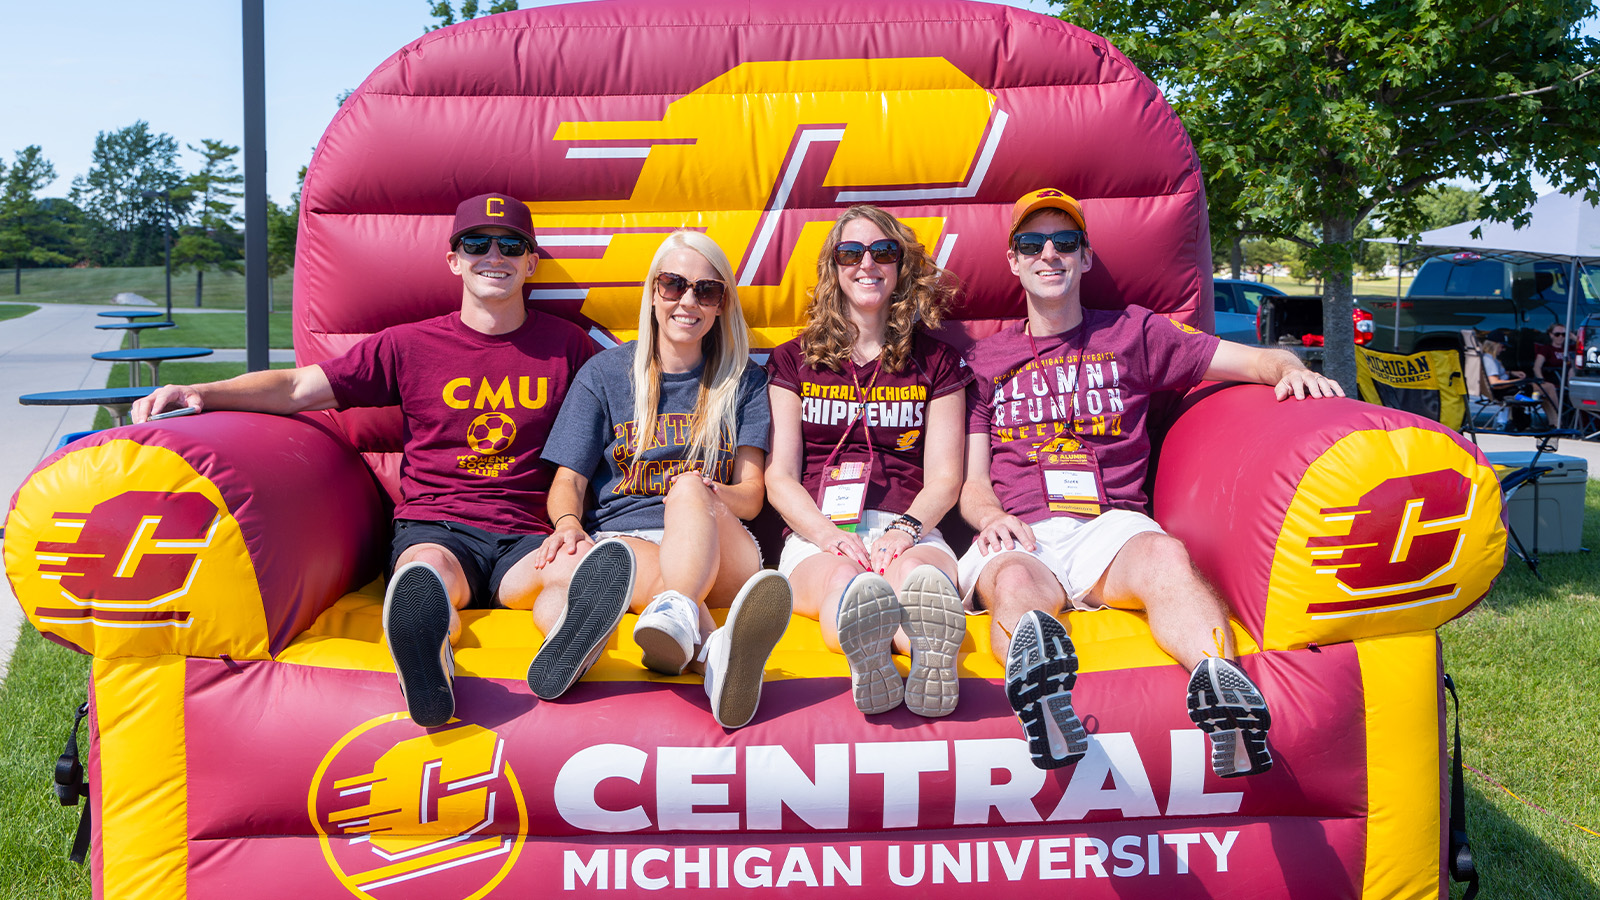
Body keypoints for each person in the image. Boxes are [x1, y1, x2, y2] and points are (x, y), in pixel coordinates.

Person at [131, 192, 637, 729]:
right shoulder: (408, 345)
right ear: (454, 260)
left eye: (511, 245)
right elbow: (300, 387)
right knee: (428, 574)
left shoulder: (569, 347)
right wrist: (202, 391)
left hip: (531, 532)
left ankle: (568, 649)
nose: (495, 255)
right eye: (476, 244)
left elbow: (628, 416)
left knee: (571, 575)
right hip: (441, 525)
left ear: (531, 262)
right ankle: (426, 655)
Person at [959, 188, 1345, 776]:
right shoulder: (985, 362)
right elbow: (972, 484)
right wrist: (991, 519)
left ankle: (1223, 691)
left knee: (1164, 554)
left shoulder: (1134, 333)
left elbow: (1252, 360)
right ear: (1012, 261)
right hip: (1022, 528)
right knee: (1013, 578)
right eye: (1031, 244)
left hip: (1109, 527)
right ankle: (1042, 701)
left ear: (1086, 258)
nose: (1049, 255)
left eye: (1066, 242)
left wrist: (1292, 371)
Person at [535, 230, 789, 729]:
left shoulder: (745, 381)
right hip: (624, 543)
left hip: (718, 545)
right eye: (673, 285)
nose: (688, 301)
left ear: (720, 306)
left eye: (706, 290)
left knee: (688, 488)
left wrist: (704, 492)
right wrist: (567, 523)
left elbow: (752, 496)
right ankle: (709, 652)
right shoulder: (604, 374)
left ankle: (677, 608)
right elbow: (569, 482)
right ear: (652, 292)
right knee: (555, 582)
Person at [765, 205, 969, 718]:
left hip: (912, 524)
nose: (867, 264)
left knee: (918, 576)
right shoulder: (794, 359)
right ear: (833, 268)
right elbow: (779, 477)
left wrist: (905, 531)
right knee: (845, 584)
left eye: (883, 252)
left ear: (901, 266)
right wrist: (828, 535)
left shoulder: (937, 361)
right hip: (821, 533)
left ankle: (924, 656)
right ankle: (884, 652)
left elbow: (946, 477)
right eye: (850, 253)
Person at [1532, 322, 1575, 425]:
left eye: (1563, 334)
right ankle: (1557, 419)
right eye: (1557, 334)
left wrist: (1573, 337)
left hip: (1569, 380)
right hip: (1554, 379)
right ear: (1551, 335)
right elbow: (1536, 367)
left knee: (1573, 369)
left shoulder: (1569, 348)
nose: (1560, 337)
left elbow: (1585, 346)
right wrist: (1541, 380)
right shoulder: (1546, 349)